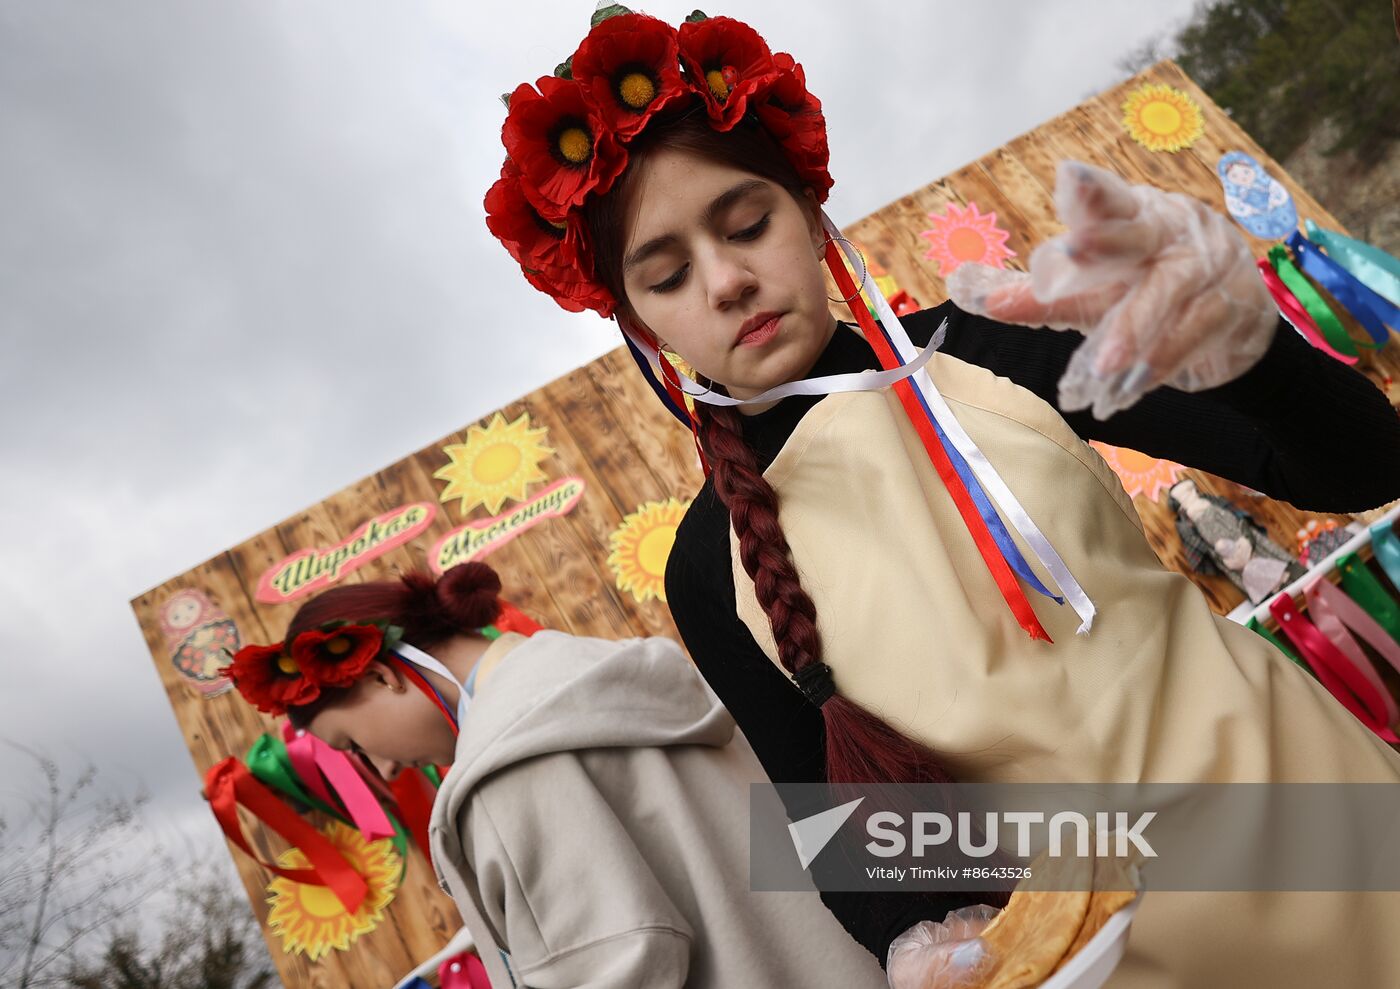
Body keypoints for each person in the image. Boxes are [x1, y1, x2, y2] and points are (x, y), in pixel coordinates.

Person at [485, 8, 1400, 987]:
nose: (724, 280)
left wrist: (1253, 357)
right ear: (640, 320)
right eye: (665, 275)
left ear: (807, 212)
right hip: (1124, 954)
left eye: (747, 223)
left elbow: (1358, 469)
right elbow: (840, 839)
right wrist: (919, 938)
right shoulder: (706, 565)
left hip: (1334, 836)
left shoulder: (984, 338)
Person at [222, 561, 889, 988]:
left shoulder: (503, 769)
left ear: (376, 674)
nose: (387, 768)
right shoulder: (608, 672)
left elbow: (614, 967)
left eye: (353, 746)